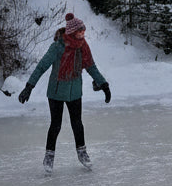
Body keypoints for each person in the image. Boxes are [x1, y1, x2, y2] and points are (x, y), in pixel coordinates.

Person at [18, 12, 110, 173]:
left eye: (83, 30)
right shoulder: (57, 47)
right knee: (56, 125)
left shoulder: (83, 47)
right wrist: (29, 86)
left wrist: (104, 84)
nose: (83, 34)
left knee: (77, 124)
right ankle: (49, 157)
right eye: (80, 31)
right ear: (72, 32)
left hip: (75, 91)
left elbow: (91, 67)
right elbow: (41, 66)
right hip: (56, 92)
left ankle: (82, 154)